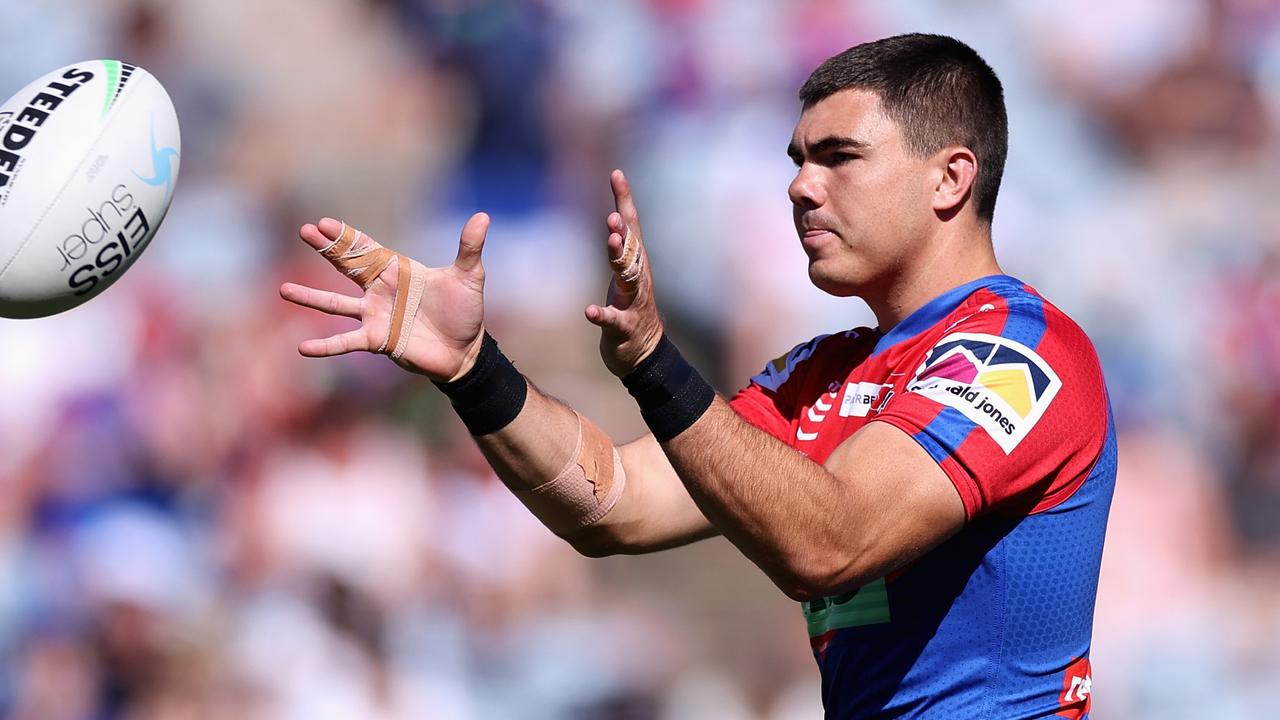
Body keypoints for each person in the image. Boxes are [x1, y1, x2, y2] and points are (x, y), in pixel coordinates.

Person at [281, 33, 1114, 719]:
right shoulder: (820, 373)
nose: (799, 186)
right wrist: (473, 369)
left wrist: (654, 364)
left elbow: (833, 542)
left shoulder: (1017, 352)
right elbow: (613, 503)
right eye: (797, 158)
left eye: (839, 156)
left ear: (951, 178)